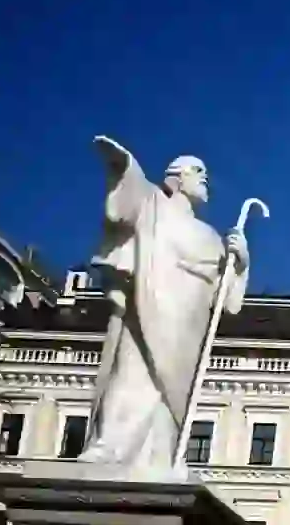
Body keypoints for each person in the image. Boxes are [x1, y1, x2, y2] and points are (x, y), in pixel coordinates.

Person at [78, 135, 249, 474]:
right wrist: (122, 163)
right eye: (197, 171)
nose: (205, 178)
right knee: (133, 372)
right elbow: (130, 192)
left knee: (169, 395)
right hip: (150, 303)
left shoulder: (212, 237)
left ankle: (161, 455)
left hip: (189, 322)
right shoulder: (154, 206)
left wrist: (240, 263)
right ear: (176, 178)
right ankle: (110, 446)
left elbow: (226, 302)